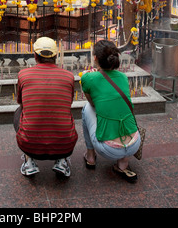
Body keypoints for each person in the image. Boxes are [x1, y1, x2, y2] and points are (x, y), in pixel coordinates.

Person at [14, 37, 78, 177]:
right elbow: (69, 102)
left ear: (35, 56)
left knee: (19, 113)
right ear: (56, 56)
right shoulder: (68, 76)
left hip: (29, 145)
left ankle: (29, 161)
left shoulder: (23, 75)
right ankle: (62, 161)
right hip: (65, 145)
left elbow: (21, 103)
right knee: (63, 111)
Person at [81, 40, 141, 183]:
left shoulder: (88, 78)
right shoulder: (123, 77)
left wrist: (90, 77)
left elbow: (93, 103)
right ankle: (123, 164)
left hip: (109, 149)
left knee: (86, 109)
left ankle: (90, 156)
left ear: (95, 58)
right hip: (135, 144)